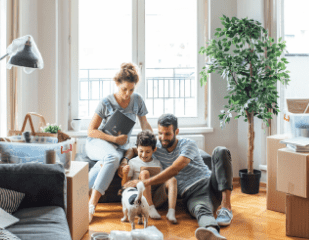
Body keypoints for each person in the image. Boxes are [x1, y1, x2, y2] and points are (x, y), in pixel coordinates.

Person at [124, 113, 233, 240]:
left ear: (176, 131)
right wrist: (124, 161)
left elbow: (175, 168)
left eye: (167, 134)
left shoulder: (188, 144)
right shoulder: (156, 148)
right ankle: (212, 232)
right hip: (191, 194)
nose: (163, 138)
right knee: (200, 210)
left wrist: (145, 182)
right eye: (160, 133)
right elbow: (134, 149)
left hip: (210, 183)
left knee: (220, 151)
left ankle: (226, 207)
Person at [86, 62, 153, 223]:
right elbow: (91, 130)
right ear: (117, 84)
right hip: (97, 142)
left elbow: (144, 124)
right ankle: (91, 205)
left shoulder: (137, 101)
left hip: (118, 148)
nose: (127, 94)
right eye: (124, 89)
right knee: (113, 158)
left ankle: (76, 192)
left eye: (131, 90)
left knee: (111, 158)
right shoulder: (106, 102)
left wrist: (152, 140)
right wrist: (114, 139)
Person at [123, 130, 178, 223]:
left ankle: (171, 212)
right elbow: (124, 185)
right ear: (137, 149)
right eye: (141, 151)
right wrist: (125, 174)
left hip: (156, 197)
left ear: (154, 150)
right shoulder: (132, 162)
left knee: (172, 179)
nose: (144, 155)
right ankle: (150, 208)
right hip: (141, 200)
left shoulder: (157, 162)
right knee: (144, 173)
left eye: (148, 152)